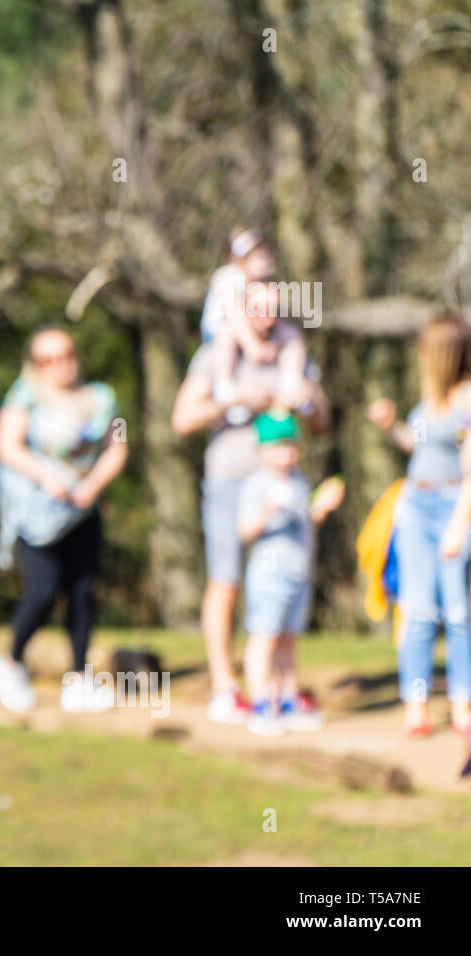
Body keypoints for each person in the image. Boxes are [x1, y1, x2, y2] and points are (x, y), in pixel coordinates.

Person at [172, 297, 331, 724]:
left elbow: (322, 420)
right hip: (230, 478)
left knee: (283, 589)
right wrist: (234, 399)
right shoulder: (214, 353)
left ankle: (281, 689)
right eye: (257, 306)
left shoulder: (292, 351)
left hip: (284, 483)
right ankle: (226, 686)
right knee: (226, 581)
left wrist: (306, 398)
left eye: (274, 306)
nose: (267, 315)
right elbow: (182, 419)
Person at [0, 328, 127, 713]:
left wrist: (92, 485)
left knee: (83, 592)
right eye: (48, 359)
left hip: (83, 509)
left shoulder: (101, 397)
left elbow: (117, 448)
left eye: (65, 354)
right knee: (43, 593)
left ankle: (79, 678)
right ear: (35, 364)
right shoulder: (24, 396)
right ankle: (11, 662)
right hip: (37, 513)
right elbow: (6, 446)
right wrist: (49, 477)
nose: (60, 364)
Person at [367, 311, 471, 736]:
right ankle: (417, 704)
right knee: (418, 610)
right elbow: (419, 447)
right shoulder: (429, 396)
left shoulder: (467, 399)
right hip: (415, 505)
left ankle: (462, 703)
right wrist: (393, 427)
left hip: (453, 508)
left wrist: (459, 526)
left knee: (459, 612)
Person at [237, 411, 344, 735]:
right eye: (279, 446)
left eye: (292, 445)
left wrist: (320, 507)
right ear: (262, 451)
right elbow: (244, 531)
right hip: (270, 575)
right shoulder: (257, 484)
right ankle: (260, 702)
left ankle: (287, 697)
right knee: (264, 638)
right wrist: (267, 510)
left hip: (299, 572)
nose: (288, 453)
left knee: (288, 640)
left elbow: (306, 522)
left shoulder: (299, 481)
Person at [202, 228, 310, 424]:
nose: (265, 261)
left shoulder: (263, 283)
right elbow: (235, 315)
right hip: (219, 334)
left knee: (290, 333)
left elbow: (274, 313)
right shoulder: (227, 277)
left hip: (250, 334)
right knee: (227, 335)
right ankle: (226, 389)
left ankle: (292, 383)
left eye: (266, 255)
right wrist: (254, 346)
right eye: (258, 257)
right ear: (239, 260)